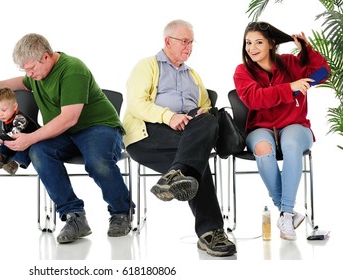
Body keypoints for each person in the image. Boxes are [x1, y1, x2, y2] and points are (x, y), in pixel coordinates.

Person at [0, 33, 133, 243]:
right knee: (39, 151)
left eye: (31, 68)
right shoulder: (37, 75)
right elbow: (17, 82)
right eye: (24, 69)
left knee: (97, 162)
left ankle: (121, 212)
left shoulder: (72, 70)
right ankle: (74, 216)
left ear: (45, 57)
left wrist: (30, 137)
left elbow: (69, 119)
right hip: (65, 134)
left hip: (98, 127)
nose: (29, 74)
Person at [123, 19, 236, 257]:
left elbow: (205, 106)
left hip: (184, 138)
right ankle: (211, 232)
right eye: (184, 41)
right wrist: (168, 116)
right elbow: (136, 104)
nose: (189, 47)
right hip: (148, 134)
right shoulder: (147, 66)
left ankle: (176, 177)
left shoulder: (193, 75)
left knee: (205, 128)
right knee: (197, 159)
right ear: (167, 42)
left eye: (191, 42)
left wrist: (202, 112)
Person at [233, 22, 330, 240]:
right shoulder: (243, 72)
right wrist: (290, 87)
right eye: (248, 43)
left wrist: (308, 50)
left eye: (258, 42)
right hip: (261, 128)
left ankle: (285, 213)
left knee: (291, 144)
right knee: (262, 147)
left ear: (271, 44)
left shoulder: (290, 63)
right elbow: (255, 99)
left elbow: (323, 73)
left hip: (296, 126)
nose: (252, 47)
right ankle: (287, 212)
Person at [0, 87, 40, 175]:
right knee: (5, 144)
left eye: (4, 110)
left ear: (14, 106)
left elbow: (14, 134)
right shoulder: (5, 121)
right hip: (16, 142)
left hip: (31, 142)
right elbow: (6, 136)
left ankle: (14, 164)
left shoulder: (20, 118)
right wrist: (3, 140)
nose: (0, 114)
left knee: (25, 149)